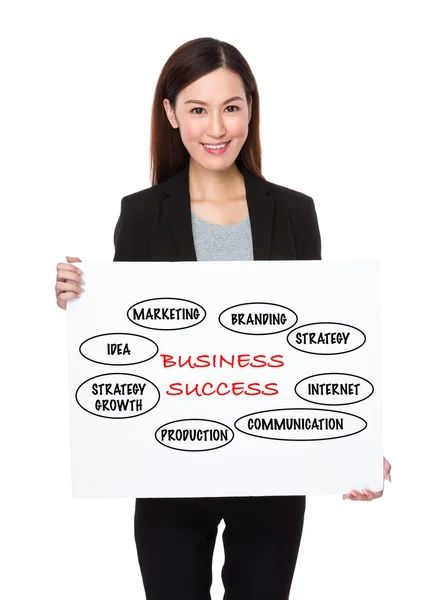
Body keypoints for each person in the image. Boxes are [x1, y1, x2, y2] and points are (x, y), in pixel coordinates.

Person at [55, 37, 392, 600]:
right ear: (170, 114)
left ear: (250, 110)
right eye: (197, 109)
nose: (216, 128)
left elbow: (310, 343)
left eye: (231, 107)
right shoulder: (140, 215)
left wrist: (352, 443)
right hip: (168, 471)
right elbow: (129, 342)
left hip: (272, 475)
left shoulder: (294, 211)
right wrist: (81, 299)